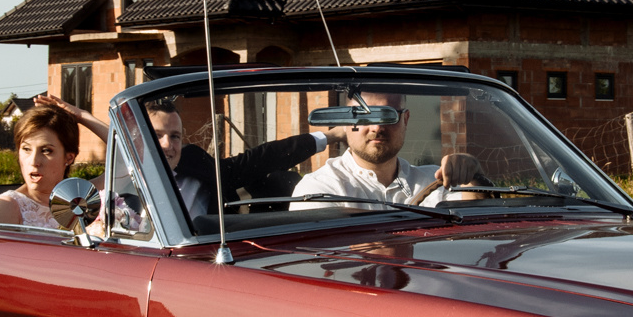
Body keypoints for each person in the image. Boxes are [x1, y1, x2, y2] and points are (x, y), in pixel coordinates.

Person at [32, 92, 325, 221]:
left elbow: (256, 160)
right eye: (157, 135)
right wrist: (82, 116)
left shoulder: (195, 164)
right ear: (140, 140)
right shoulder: (121, 177)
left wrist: (326, 137)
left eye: (175, 136)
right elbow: (124, 145)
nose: (168, 145)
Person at [290, 90, 479, 210]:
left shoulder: (436, 181)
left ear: (405, 119)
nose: (377, 128)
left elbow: (476, 233)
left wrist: (473, 175)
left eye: (389, 116)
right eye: (364, 116)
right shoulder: (320, 189)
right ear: (346, 122)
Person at [0, 106, 82, 228]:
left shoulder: (81, 197)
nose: (34, 161)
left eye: (46, 151)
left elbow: (109, 171)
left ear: (69, 158)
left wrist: (82, 115)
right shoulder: (8, 204)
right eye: (26, 149)